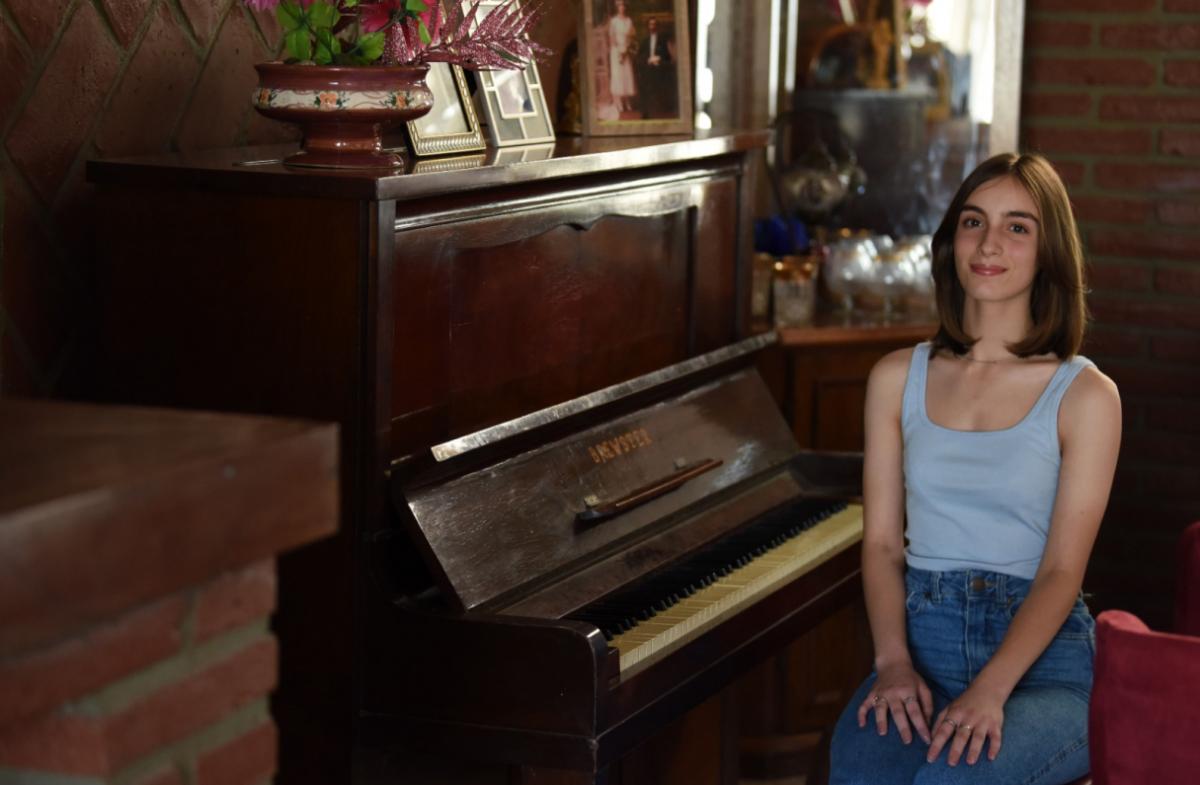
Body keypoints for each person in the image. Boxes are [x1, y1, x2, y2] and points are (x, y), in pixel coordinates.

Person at [828, 152, 1122, 785]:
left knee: (951, 780)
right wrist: (893, 663)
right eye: (973, 221)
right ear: (951, 241)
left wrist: (990, 690)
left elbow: (1063, 571)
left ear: (1048, 252)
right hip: (920, 653)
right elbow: (880, 545)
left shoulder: (1086, 396)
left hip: (1045, 670)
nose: (990, 243)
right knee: (858, 769)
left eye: (1018, 226)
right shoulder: (895, 378)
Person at [635, 17, 676, 117]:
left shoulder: (662, 40)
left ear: (657, 26)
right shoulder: (645, 41)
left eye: (654, 24)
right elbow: (640, 56)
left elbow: (668, 57)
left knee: (662, 83)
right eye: (650, 24)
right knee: (644, 85)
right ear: (648, 27)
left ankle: (662, 111)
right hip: (648, 69)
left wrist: (659, 59)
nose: (652, 27)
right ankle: (645, 111)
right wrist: (648, 60)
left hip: (660, 69)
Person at [606, 0, 637, 114]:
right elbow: (612, 37)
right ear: (617, 8)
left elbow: (630, 36)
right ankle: (618, 102)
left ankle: (627, 101)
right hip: (616, 51)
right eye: (620, 6)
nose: (622, 8)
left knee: (627, 74)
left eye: (623, 6)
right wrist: (619, 51)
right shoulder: (613, 21)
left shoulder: (629, 21)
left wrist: (626, 48)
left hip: (626, 49)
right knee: (618, 75)